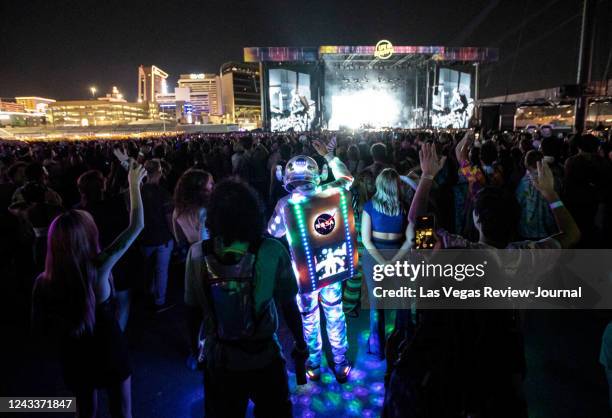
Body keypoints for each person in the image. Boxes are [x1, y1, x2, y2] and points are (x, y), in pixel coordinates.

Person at [31, 160, 146, 418]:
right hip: (109, 350)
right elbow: (136, 227)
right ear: (88, 236)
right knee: (122, 411)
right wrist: (133, 184)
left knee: (85, 410)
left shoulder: (43, 281)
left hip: (74, 355)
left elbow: (39, 330)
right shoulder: (99, 267)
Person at [184, 179, 306, 418]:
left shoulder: (197, 253)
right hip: (264, 356)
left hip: (220, 358)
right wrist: (301, 344)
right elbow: (289, 304)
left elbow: (192, 311)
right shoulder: (271, 250)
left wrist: (195, 351)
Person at [268, 139, 353, 383]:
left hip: (303, 275)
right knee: (335, 313)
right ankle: (340, 362)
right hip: (331, 268)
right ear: (318, 174)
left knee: (309, 317)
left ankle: (314, 362)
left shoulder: (286, 204)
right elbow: (348, 180)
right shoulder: (330, 192)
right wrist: (330, 156)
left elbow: (272, 232)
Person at [360, 168, 414, 359]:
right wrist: (393, 261)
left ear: (379, 185)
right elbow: (410, 240)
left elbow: (366, 241)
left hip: (374, 258)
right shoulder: (405, 207)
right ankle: (405, 343)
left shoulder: (369, 207)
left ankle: (377, 349)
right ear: (396, 186)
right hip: (397, 254)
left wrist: (383, 263)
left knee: (377, 303)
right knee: (404, 301)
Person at [140, 159, 175, 311]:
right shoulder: (163, 194)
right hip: (162, 237)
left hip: (143, 238)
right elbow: (169, 219)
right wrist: (175, 235)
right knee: (162, 270)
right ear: (159, 172)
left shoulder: (137, 193)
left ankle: (146, 295)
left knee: (145, 269)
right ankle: (160, 301)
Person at [515, 150, 557, 240]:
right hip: (549, 231)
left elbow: (519, 201)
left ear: (527, 164)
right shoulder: (551, 179)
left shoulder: (524, 183)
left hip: (527, 230)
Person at [172, 169, 214, 246]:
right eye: (210, 183)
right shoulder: (205, 211)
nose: (213, 186)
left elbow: (179, 238)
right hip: (206, 250)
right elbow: (204, 239)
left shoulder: (177, 210)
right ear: (200, 188)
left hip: (191, 248)